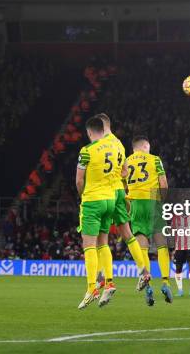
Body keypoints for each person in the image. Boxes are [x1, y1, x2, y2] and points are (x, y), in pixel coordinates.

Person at [94, 113, 150, 294]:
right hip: (120, 191)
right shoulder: (118, 144)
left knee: (99, 238)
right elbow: (125, 172)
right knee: (127, 233)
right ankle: (143, 270)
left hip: (103, 193)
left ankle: (103, 278)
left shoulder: (97, 145)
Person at [75, 117, 116, 309]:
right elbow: (123, 172)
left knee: (89, 245)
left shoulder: (86, 151)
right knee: (103, 243)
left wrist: (83, 195)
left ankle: (92, 287)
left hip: (93, 200)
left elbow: (79, 181)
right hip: (110, 200)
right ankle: (109, 282)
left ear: (89, 132)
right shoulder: (114, 148)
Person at [126, 136, 171, 306]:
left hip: (136, 203)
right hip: (153, 202)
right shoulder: (155, 160)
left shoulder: (126, 161)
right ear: (145, 146)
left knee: (142, 248)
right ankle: (165, 282)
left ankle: (148, 286)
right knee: (161, 245)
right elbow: (164, 183)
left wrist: (129, 205)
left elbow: (122, 187)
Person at [171, 212, 190, 298]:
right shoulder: (175, 218)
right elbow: (172, 231)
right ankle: (180, 290)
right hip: (179, 248)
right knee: (178, 268)